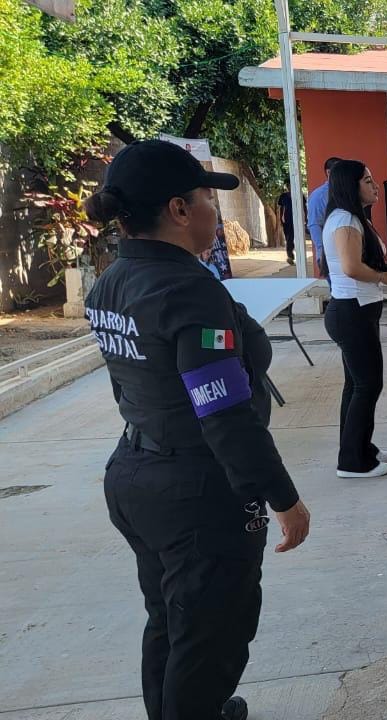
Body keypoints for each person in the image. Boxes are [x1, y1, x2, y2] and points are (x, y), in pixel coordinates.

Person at [82, 139, 311, 720]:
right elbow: (225, 411)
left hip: (136, 473)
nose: (217, 213)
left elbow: (132, 384)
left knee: (170, 617)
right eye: (209, 199)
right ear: (179, 210)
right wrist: (283, 498)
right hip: (199, 490)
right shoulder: (189, 289)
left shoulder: (114, 279)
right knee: (212, 633)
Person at [321, 160, 387, 479]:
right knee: (368, 383)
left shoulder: (353, 219)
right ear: (350, 185)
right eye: (367, 181)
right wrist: (383, 276)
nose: (374, 185)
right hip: (351, 310)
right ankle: (352, 462)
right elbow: (351, 268)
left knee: (357, 384)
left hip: (359, 309)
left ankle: (359, 447)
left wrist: (385, 268)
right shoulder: (345, 220)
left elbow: (357, 262)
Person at [306, 156, 342, 275]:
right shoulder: (319, 196)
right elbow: (314, 224)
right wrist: (321, 253)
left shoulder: (346, 193)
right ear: (329, 172)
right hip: (330, 255)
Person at [277, 190, 297, 265]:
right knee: (289, 239)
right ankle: (290, 256)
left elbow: (303, 206)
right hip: (286, 221)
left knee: (293, 239)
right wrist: (280, 220)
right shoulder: (283, 196)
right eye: (288, 185)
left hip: (296, 220)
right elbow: (279, 208)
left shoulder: (297, 193)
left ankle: (291, 256)